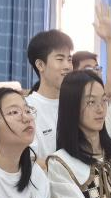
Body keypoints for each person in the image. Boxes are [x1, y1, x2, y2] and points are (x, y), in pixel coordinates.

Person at [45, 70, 111, 198]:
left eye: (103, 100)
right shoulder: (60, 162)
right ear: (72, 107)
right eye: (91, 102)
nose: (100, 109)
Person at [23, 30, 74, 158]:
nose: (68, 66)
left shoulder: (76, 102)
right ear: (40, 65)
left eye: (69, 59)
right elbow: (29, 160)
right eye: (60, 59)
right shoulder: (27, 108)